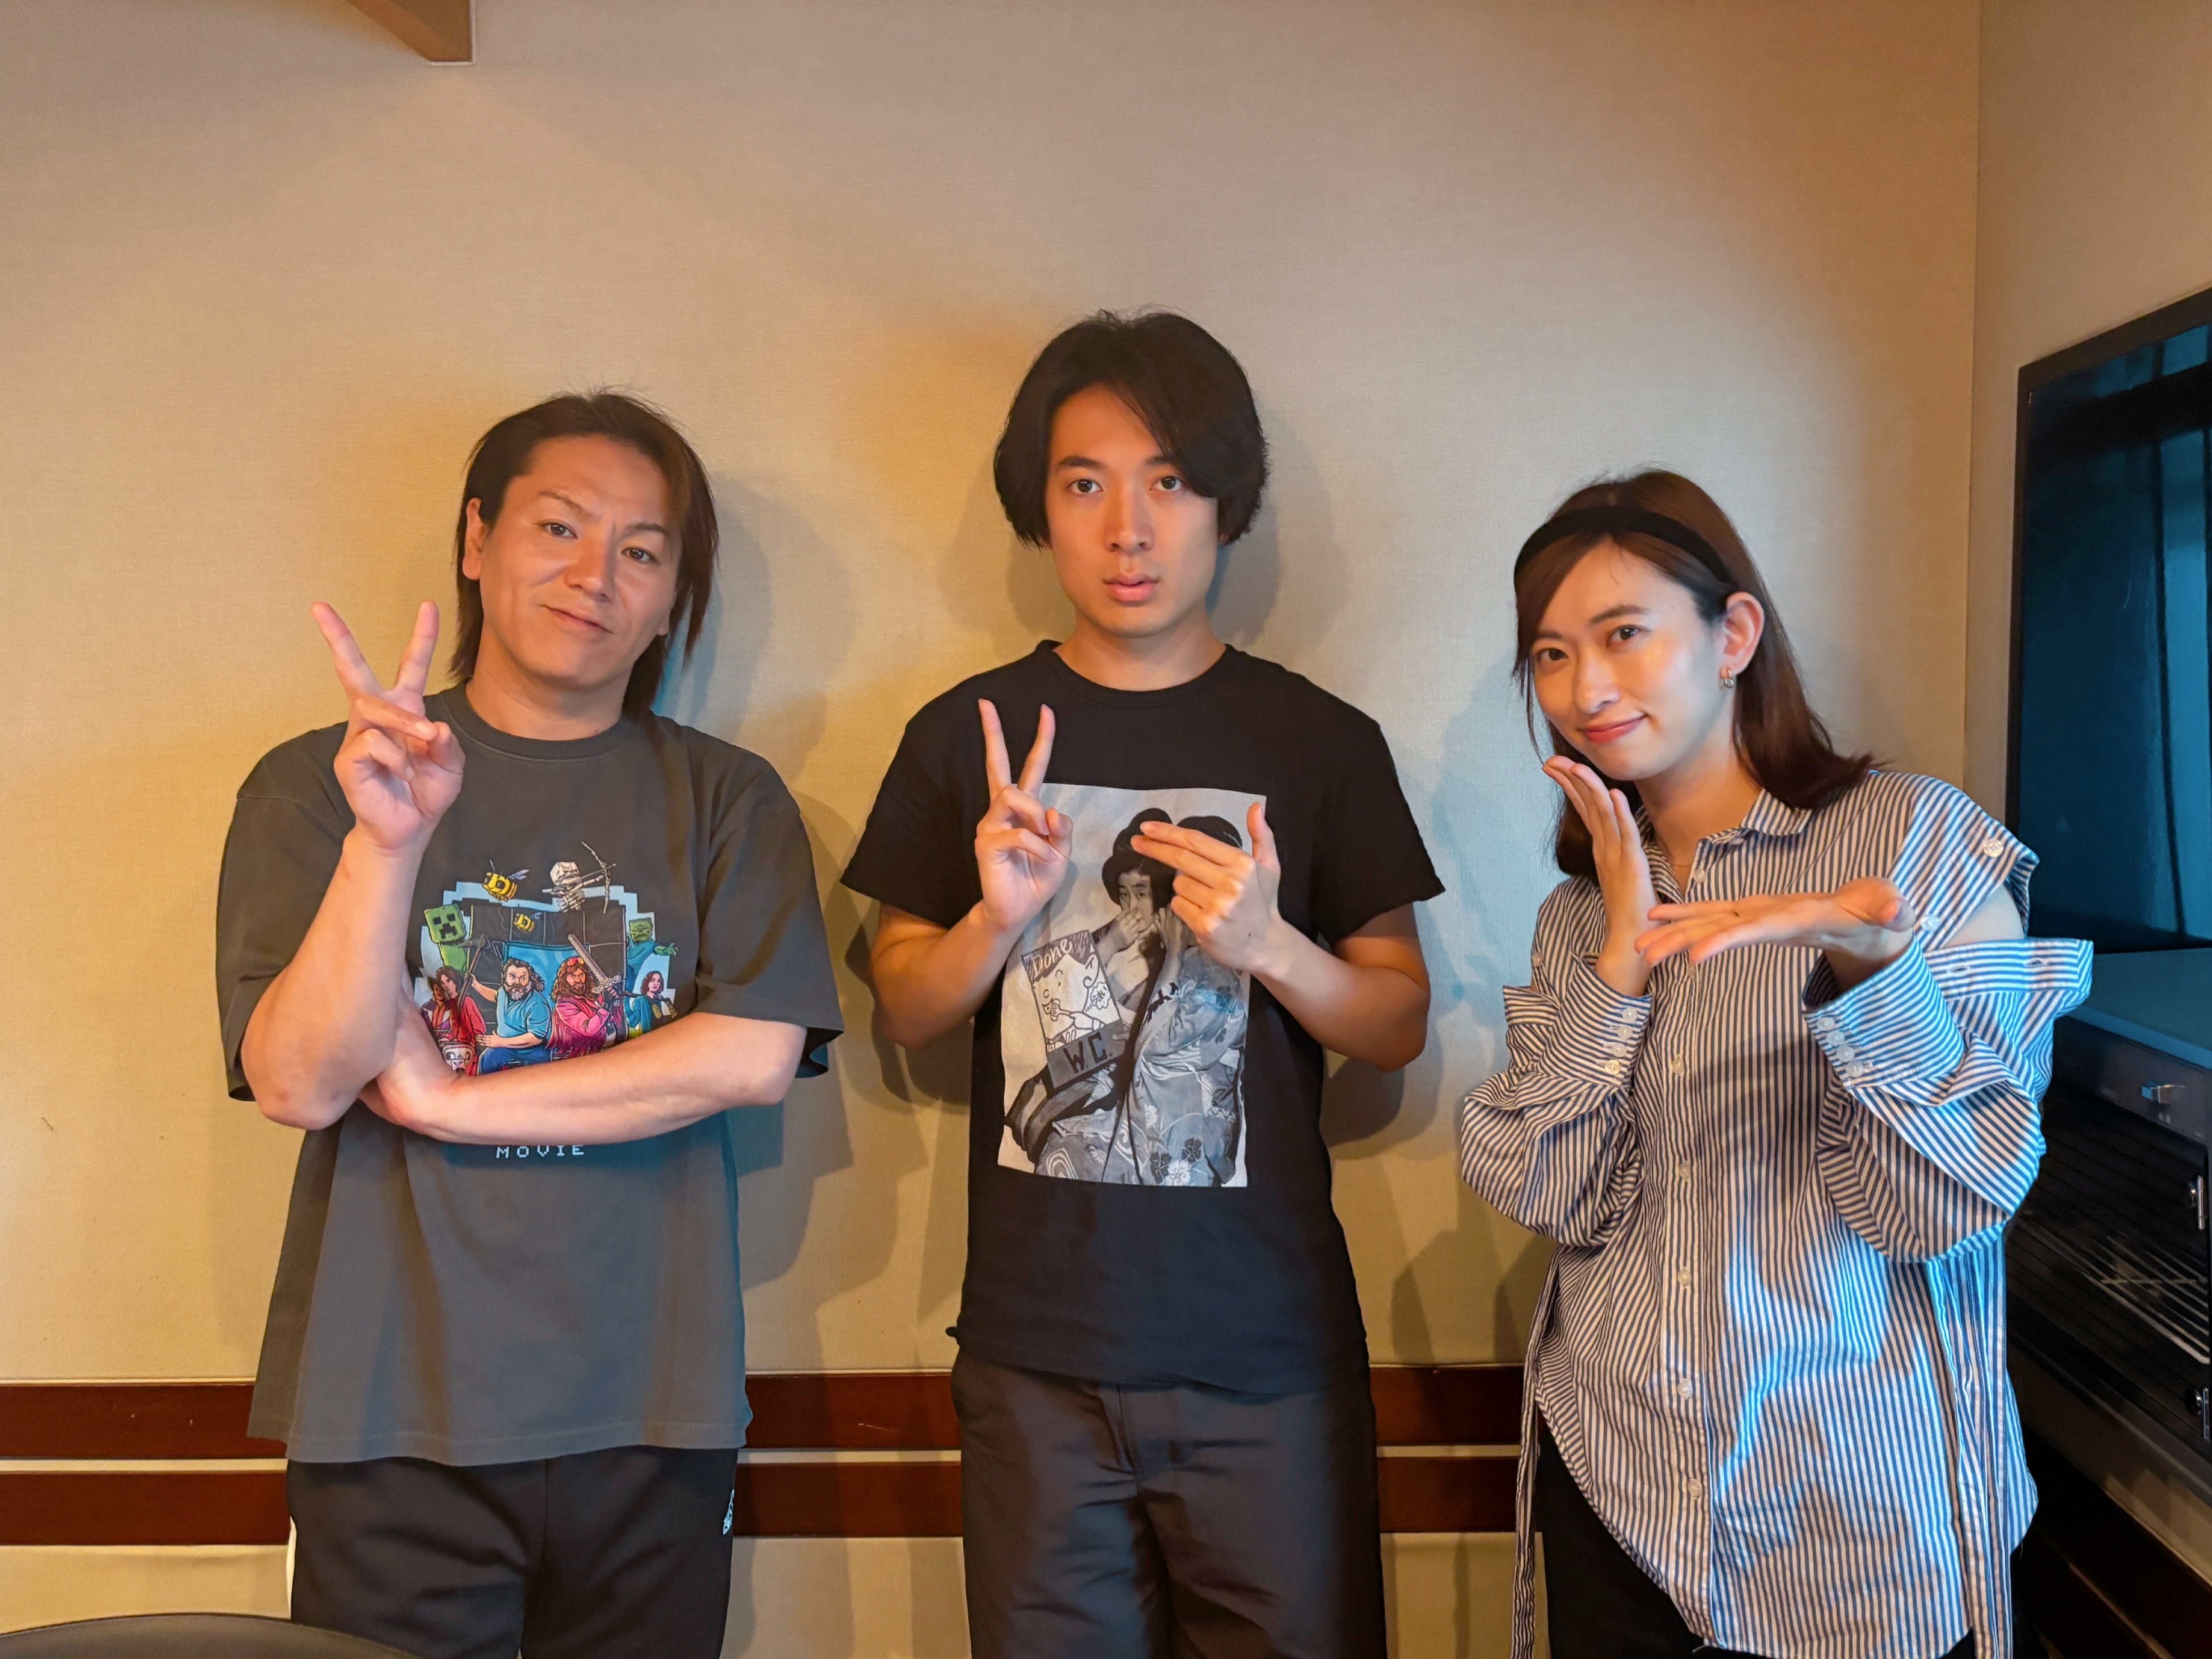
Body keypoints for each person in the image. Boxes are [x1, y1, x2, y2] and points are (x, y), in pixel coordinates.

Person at [843, 311, 1444, 1658]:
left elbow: (1397, 1022)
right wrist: (996, 920)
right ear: (1039, 507)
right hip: (1036, 1352)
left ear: (1227, 501)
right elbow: (904, 1010)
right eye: (1085, 483)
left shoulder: (1318, 740)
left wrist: (1274, 946)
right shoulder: (966, 735)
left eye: (1169, 480)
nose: (1129, 527)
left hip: (1267, 1353)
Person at [215, 392, 845, 1659]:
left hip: (651, 1409)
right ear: (476, 539)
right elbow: (297, 1079)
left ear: (670, 602)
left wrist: (450, 1101)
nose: (594, 573)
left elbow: (749, 1053)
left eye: (641, 550)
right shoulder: (317, 785)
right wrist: (387, 846)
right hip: (388, 1410)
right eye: (558, 526)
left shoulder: (725, 796)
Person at [1457, 472, 2092, 1659]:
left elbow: (1945, 1204)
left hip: (1854, 1519)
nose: (1584, 689)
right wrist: (1617, 965)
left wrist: (1869, 971)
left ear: (1733, 634)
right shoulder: (1575, 915)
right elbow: (1554, 1196)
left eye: (1623, 633)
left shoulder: (1916, 844)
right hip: (1618, 1494)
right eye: (1549, 654)